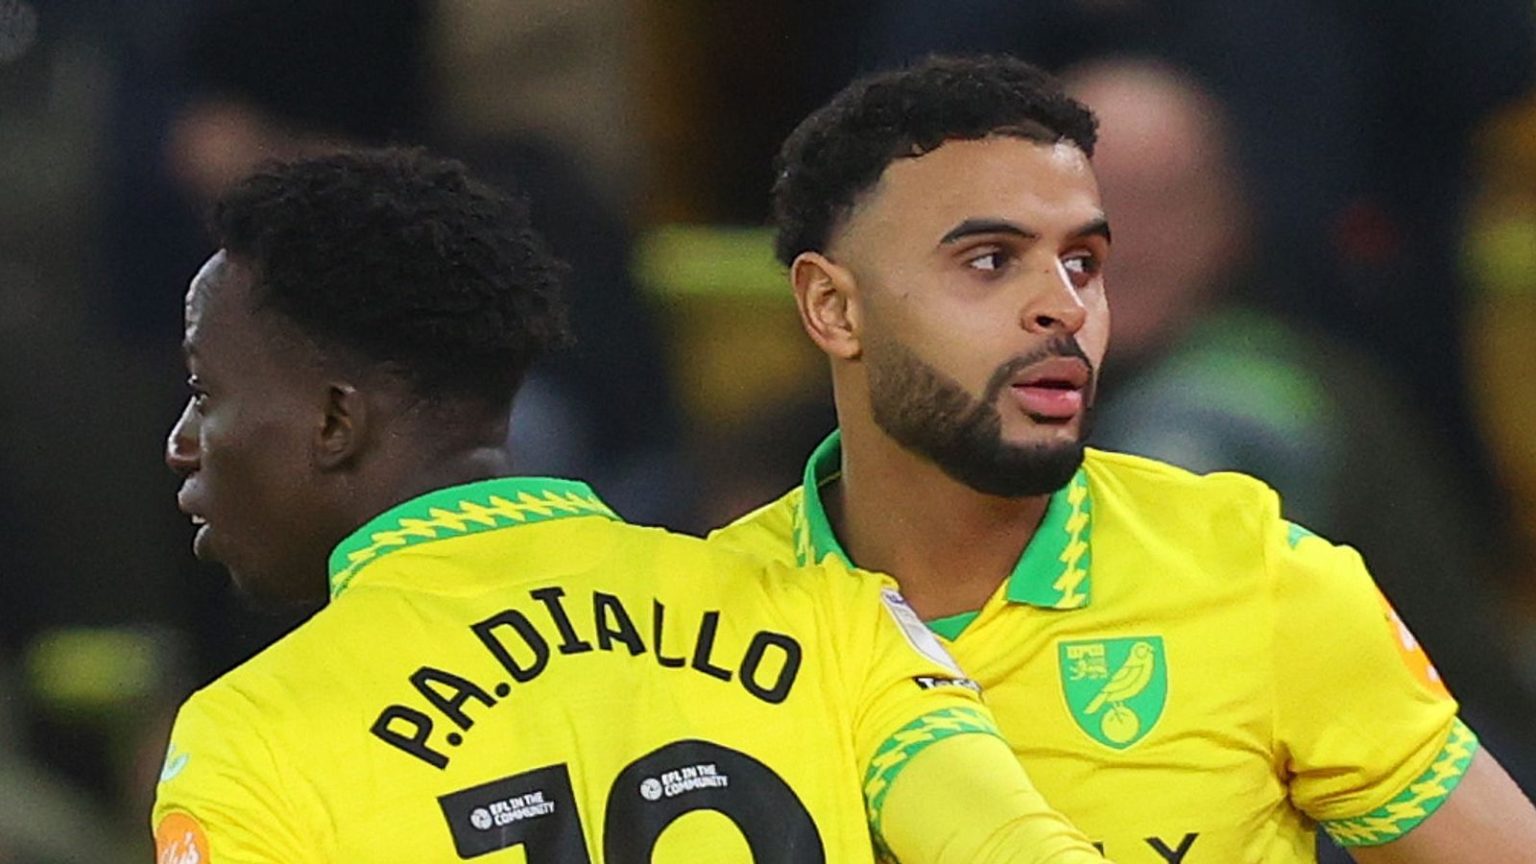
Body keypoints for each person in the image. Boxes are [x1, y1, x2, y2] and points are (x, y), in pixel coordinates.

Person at [150, 147, 1106, 863]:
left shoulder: (254, 740)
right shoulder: (831, 615)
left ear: (334, 422)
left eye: (202, 392)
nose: (182, 442)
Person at [709, 55, 1536, 861]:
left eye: (1083, 263)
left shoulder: (1254, 574)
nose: (1064, 307)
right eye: (990, 261)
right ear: (833, 307)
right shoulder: (695, 623)